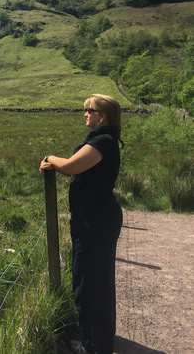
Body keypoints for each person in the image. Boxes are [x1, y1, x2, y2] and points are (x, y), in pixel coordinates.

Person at [40, 94, 123, 354]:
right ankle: (98, 341)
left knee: (89, 285)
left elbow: (71, 166)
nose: (85, 113)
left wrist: (50, 158)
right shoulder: (104, 140)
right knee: (96, 282)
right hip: (96, 218)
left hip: (95, 222)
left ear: (103, 116)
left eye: (90, 109)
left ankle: (95, 347)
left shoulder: (102, 141)